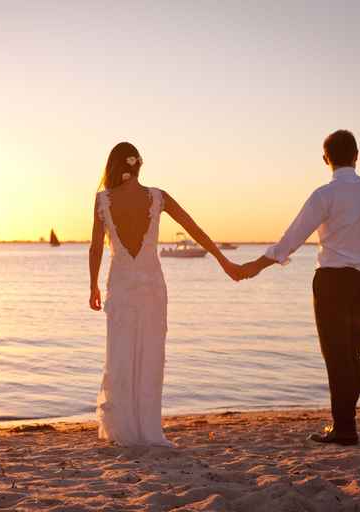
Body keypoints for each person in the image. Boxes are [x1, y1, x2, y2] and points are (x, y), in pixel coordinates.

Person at [241, 130, 360, 445]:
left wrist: (253, 267)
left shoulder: (324, 195)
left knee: (336, 355)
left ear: (326, 159)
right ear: (357, 155)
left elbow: (291, 239)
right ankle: (347, 425)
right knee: (353, 353)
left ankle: (344, 428)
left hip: (332, 283)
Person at [88, 142, 242, 447]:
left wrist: (91, 285)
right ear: (139, 165)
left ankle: (124, 430)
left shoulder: (102, 200)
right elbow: (194, 228)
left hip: (119, 284)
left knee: (120, 354)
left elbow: (95, 248)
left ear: (114, 167)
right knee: (150, 355)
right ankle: (147, 429)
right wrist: (222, 259)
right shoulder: (157, 196)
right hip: (152, 287)